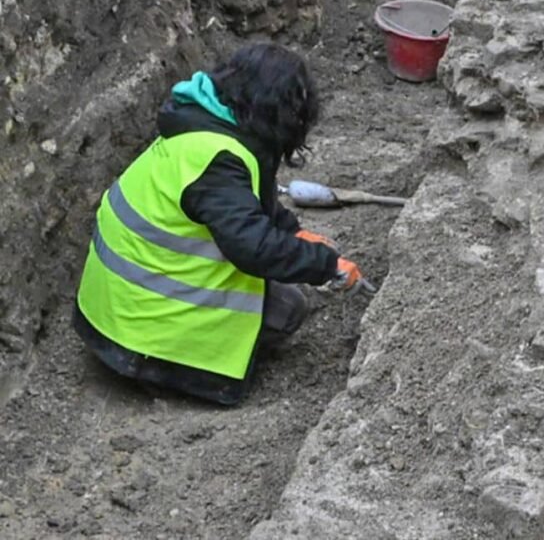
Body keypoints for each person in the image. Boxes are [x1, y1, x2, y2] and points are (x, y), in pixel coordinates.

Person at [73, 42, 367, 405]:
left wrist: (292, 232)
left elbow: (247, 201)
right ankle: (173, 373)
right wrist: (324, 265)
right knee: (288, 308)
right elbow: (253, 247)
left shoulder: (203, 126)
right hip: (140, 333)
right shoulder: (219, 162)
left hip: (115, 309)